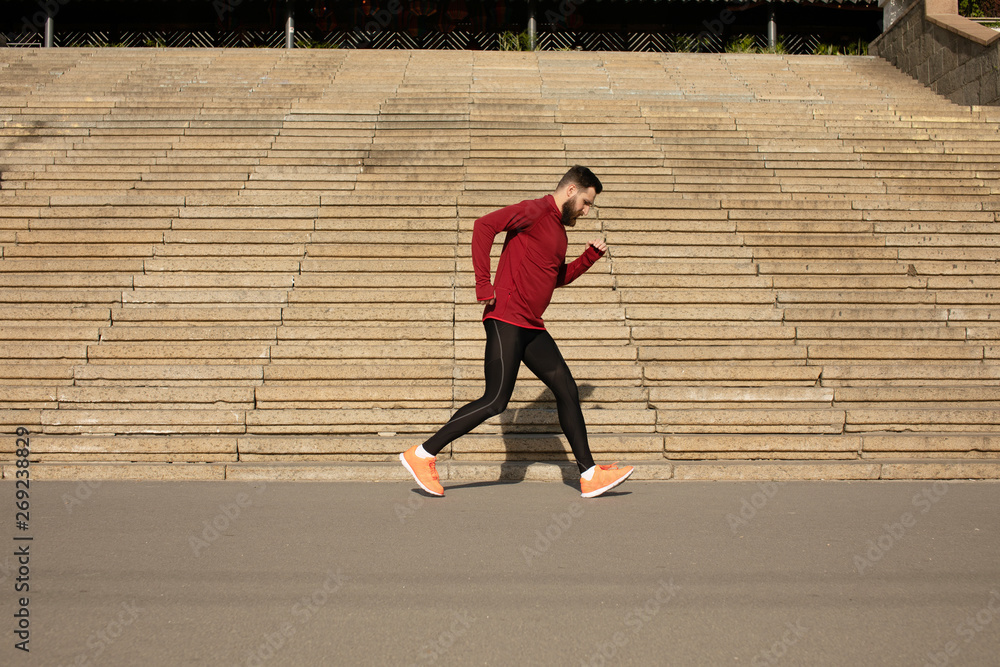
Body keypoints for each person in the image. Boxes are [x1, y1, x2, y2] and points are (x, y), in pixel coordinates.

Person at [400, 166, 634, 498]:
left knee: (566, 389)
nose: (585, 211)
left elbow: (556, 278)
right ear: (570, 191)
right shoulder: (536, 211)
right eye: (585, 203)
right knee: (496, 399)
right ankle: (421, 454)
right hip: (507, 318)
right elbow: (484, 226)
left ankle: (589, 474)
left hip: (531, 325)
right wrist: (484, 282)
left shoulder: (558, 232)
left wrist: (588, 258)